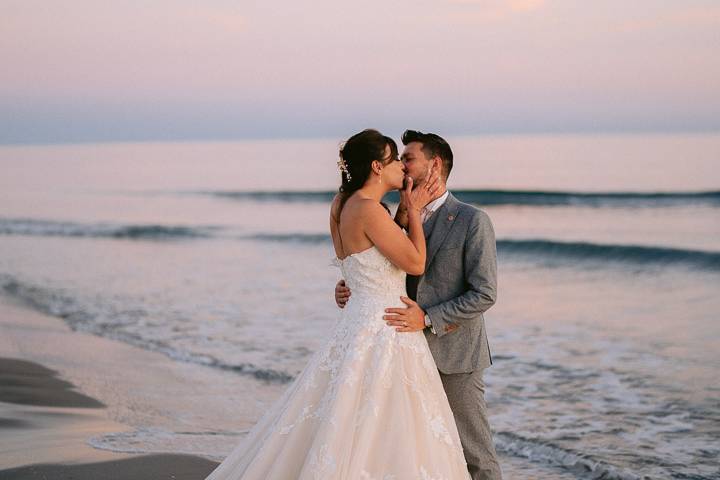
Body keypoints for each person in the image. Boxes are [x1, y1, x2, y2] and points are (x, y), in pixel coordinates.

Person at [204, 129, 471, 479]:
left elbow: (359, 262)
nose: (402, 171)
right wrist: (416, 210)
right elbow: (416, 263)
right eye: (395, 161)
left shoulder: (343, 204)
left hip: (359, 320)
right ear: (377, 167)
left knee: (349, 417)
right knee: (388, 423)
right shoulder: (369, 210)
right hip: (386, 327)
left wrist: (403, 215)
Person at [335, 130, 503, 480]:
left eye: (408, 158)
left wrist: (427, 318)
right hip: (398, 352)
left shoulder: (473, 220)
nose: (402, 165)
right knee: (408, 451)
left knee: (473, 454)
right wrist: (349, 285)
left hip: (452, 353)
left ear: (435, 164)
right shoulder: (392, 214)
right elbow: (379, 269)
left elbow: (484, 293)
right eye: (399, 159)